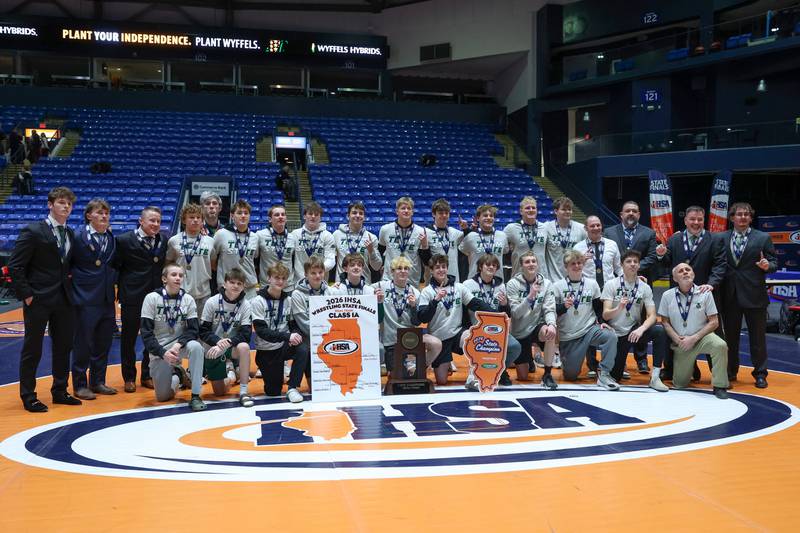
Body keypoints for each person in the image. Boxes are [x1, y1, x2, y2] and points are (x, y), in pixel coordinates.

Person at [9, 187, 81, 412]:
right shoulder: (33, 230)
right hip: (38, 299)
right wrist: (28, 296)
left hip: (64, 299)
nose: (66, 206)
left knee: (63, 347)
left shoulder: (70, 233)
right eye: (61, 202)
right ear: (50, 205)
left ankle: (60, 390)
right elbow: (15, 266)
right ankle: (28, 396)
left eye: (69, 203)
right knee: (33, 349)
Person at [656, 206, 727, 379]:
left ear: (704, 220)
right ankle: (673, 368)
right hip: (678, 294)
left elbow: (720, 265)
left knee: (713, 332)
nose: (696, 222)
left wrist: (711, 284)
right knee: (675, 330)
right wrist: (660, 255)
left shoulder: (715, 239)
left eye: (699, 219)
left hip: (704, 293)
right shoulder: (674, 239)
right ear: (686, 220)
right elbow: (667, 263)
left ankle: (719, 374)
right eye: (692, 219)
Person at [720, 202, 777, 388]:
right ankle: (730, 372)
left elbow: (773, 262)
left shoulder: (763, 237)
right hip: (730, 296)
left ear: (751, 218)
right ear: (732, 218)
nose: (743, 217)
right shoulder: (721, 238)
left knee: (757, 338)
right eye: (739, 214)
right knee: (730, 338)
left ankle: (760, 374)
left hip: (755, 295)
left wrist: (768, 266)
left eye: (746, 214)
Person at [550, 249, 620, 390]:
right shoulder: (557, 286)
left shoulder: (592, 284)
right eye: (572, 264)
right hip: (569, 336)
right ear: (566, 267)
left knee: (611, 336)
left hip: (589, 330)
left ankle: (604, 373)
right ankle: (567, 361)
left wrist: (602, 323)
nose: (576, 266)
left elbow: (597, 308)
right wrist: (563, 306)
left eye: (579, 263)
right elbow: (552, 311)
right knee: (570, 376)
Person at [115, 206, 169, 392]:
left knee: (151, 339)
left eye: (158, 221)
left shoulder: (164, 240)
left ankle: (147, 374)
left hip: (155, 298)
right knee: (128, 339)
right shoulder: (123, 241)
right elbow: (116, 267)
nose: (155, 224)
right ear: (141, 221)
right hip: (132, 298)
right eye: (151, 220)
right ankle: (129, 377)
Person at [657, 263, 730, 399]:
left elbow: (714, 322)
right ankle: (691, 366)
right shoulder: (667, 295)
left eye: (688, 270)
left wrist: (694, 338)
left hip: (702, 337)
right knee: (679, 384)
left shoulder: (705, 293)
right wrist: (677, 340)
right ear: (674, 278)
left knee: (720, 345)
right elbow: (665, 322)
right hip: (682, 341)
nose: (685, 272)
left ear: (693, 274)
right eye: (680, 271)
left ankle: (720, 385)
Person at [140, 263, 207, 411]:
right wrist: (163, 353)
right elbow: (146, 334)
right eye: (174, 275)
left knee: (196, 347)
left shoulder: (188, 299)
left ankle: (196, 395)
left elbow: (193, 330)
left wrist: (178, 345)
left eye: (181, 275)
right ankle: (179, 375)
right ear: (164, 279)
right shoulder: (151, 298)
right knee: (163, 397)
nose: (178, 278)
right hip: (161, 349)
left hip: (181, 346)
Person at [70, 198, 118, 400]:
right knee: (83, 344)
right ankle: (80, 385)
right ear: (89, 215)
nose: (104, 216)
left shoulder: (111, 236)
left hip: (107, 299)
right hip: (85, 298)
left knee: (103, 343)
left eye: (106, 213)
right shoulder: (78, 237)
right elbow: (68, 265)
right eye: (100, 213)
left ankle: (97, 381)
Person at [604, 200, 659, 374]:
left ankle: (641, 359)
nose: (631, 214)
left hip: (639, 282)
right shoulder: (609, 232)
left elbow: (652, 257)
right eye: (627, 211)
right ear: (621, 214)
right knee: (617, 320)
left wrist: (633, 269)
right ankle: (617, 357)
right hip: (617, 282)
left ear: (639, 214)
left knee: (641, 320)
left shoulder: (649, 233)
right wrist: (623, 272)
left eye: (634, 211)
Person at [601, 250, 669, 391]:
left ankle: (655, 377)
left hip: (634, 331)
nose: (632, 264)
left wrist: (641, 329)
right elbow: (606, 315)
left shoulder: (645, 287)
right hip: (616, 334)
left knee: (659, 331)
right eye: (628, 261)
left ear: (639, 265)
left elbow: (652, 315)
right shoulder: (611, 284)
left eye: (635, 262)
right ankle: (607, 370)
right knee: (615, 376)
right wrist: (619, 307)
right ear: (621, 265)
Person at [418, 254, 486, 385]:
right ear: (431, 271)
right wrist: (435, 300)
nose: (441, 270)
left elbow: (476, 303)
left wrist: (498, 313)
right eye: (437, 267)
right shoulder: (427, 291)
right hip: (439, 338)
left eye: (443, 267)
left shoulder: (459, 287)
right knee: (442, 381)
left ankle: (474, 377)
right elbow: (423, 317)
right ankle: (445, 361)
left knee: (472, 336)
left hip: (457, 334)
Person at [372, 256, 442, 380]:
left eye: (406, 268)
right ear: (392, 271)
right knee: (396, 379)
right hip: (392, 341)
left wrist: (414, 307)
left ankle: (421, 366)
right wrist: (341, 282)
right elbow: (361, 288)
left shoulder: (415, 292)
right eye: (399, 268)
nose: (403, 271)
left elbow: (416, 322)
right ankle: (399, 368)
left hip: (410, 340)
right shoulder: (380, 286)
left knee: (435, 343)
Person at [461, 254, 521, 389]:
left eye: (494, 265)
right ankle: (475, 377)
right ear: (480, 267)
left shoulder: (501, 285)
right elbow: (463, 310)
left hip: (495, 329)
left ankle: (499, 371)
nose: (491, 267)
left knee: (515, 347)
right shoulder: (468, 285)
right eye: (488, 265)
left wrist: (505, 304)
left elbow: (506, 314)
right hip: (474, 328)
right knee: (483, 345)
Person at [199, 267, 255, 407]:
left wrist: (228, 342)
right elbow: (203, 331)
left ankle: (243, 391)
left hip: (232, 346)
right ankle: (231, 374)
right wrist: (218, 342)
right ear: (224, 284)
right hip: (213, 349)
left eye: (239, 283)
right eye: (232, 282)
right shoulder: (212, 302)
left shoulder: (246, 305)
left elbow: (246, 334)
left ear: (243, 287)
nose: (235, 286)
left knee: (244, 347)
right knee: (220, 393)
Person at [251, 263, 306, 403]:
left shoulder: (288, 299)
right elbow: (262, 331)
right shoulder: (258, 301)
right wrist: (287, 336)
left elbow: (293, 325)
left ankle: (293, 387)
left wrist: (294, 334)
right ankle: (273, 371)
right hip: (266, 350)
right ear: (269, 278)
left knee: (303, 348)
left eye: (283, 278)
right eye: (276, 278)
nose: (280, 281)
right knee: (273, 392)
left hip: (284, 346)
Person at [574, 215, 622, 377]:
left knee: (614, 326)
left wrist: (631, 279)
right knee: (590, 327)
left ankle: (615, 364)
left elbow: (618, 268)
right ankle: (593, 365)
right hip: (588, 293)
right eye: (592, 226)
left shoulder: (612, 244)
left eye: (598, 225)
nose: (595, 228)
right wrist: (581, 261)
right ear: (585, 228)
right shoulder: (578, 247)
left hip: (609, 293)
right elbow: (572, 270)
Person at [506, 252, 559, 389]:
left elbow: (549, 309)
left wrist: (552, 324)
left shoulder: (546, 284)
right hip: (519, 332)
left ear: (537, 264)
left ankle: (547, 374)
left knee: (550, 332)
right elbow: (516, 313)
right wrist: (530, 296)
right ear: (521, 266)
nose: (531, 264)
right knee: (523, 376)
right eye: (527, 262)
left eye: (533, 261)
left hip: (537, 326)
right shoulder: (512, 284)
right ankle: (529, 361)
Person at [167, 203, 215, 315]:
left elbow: (213, 264)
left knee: (202, 328)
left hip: (204, 293)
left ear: (202, 220)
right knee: (180, 328)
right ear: (184, 220)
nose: (195, 220)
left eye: (198, 217)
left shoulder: (210, 241)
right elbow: (168, 264)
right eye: (191, 217)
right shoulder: (173, 241)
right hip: (180, 292)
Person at [290, 256, 330, 386]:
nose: (317, 276)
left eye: (320, 272)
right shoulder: (297, 294)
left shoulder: (329, 291)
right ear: (306, 274)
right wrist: (322, 335)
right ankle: (293, 385)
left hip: (326, 335)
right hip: (306, 335)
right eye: (313, 273)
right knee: (315, 387)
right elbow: (302, 322)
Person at [378, 197, 430, 288]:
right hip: (389, 278)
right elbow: (379, 253)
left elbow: (426, 261)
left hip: (411, 278)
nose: (406, 211)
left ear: (412, 212)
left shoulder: (420, 231)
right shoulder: (385, 229)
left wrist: (425, 245)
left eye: (409, 208)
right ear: (397, 211)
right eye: (403, 208)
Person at [213, 199, 259, 299]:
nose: (243, 216)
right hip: (227, 288)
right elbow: (212, 260)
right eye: (239, 213)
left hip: (249, 289)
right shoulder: (221, 234)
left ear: (249, 216)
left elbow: (255, 260)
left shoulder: (255, 237)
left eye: (246, 213)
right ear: (232, 216)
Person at [288, 201, 336, 286]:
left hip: (320, 283)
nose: (313, 216)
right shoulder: (295, 234)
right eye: (310, 213)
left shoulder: (328, 236)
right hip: (299, 284)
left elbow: (331, 260)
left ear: (320, 217)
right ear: (304, 216)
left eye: (316, 214)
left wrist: (316, 272)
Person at [332, 201, 382, 281]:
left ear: (364, 217)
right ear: (348, 216)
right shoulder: (337, 235)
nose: (358, 215)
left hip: (363, 284)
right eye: (354, 213)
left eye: (361, 213)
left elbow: (377, 266)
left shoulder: (371, 238)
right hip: (342, 285)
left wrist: (371, 251)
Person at [458, 204, 509, 280]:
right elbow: (463, 258)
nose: (488, 218)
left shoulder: (502, 236)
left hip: (497, 283)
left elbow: (505, 252)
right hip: (474, 283)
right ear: (478, 218)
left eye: (491, 216)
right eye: (485, 215)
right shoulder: (470, 237)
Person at [542, 196, 587, 282]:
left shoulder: (581, 228)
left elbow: (588, 248)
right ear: (555, 211)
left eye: (569, 209)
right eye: (564, 209)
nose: (567, 212)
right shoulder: (546, 228)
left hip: (574, 279)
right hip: (553, 280)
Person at [504, 196, 547, 278]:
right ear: (521, 211)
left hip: (541, 277)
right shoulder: (511, 228)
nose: (531, 210)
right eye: (527, 208)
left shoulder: (545, 228)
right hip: (519, 277)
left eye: (533, 208)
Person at [426, 198, 467, 281]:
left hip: (454, 278)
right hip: (434, 279)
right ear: (434, 214)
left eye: (446, 213)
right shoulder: (426, 232)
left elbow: (468, 238)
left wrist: (466, 229)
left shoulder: (454, 232)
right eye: (440, 213)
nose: (444, 215)